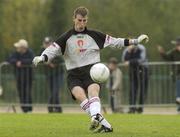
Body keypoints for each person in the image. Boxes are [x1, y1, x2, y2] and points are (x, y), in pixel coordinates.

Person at [32, 6, 149, 133]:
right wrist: (43, 57)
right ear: (74, 19)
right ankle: (105, 124)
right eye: (80, 20)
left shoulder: (95, 35)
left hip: (92, 71)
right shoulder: (66, 37)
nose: (82, 23)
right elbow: (52, 49)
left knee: (93, 92)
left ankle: (94, 117)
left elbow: (115, 42)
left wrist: (136, 41)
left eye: (85, 20)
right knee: (79, 96)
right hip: (74, 74)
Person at [7, 39, 34, 113]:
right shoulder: (16, 53)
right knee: (21, 93)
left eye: (19, 47)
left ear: (23, 47)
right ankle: (24, 109)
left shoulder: (30, 52)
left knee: (27, 92)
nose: (17, 48)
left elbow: (32, 60)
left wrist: (22, 62)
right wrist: (16, 62)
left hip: (28, 77)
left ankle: (29, 109)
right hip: (19, 77)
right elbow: (10, 59)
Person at [122, 44, 148, 114]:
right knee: (132, 89)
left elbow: (141, 60)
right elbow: (124, 60)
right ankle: (132, 108)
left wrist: (130, 62)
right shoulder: (127, 49)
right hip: (133, 71)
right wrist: (129, 51)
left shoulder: (141, 48)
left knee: (142, 90)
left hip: (143, 70)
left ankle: (140, 108)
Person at [41, 37, 64, 113]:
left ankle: (50, 106)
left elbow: (60, 60)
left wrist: (52, 63)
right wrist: (44, 61)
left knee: (55, 91)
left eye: (49, 43)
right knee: (53, 92)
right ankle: (58, 109)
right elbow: (37, 59)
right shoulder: (42, 51)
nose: (47, 45)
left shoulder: (56, 50)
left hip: (58, 74)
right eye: (46, 43)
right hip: (49, 75)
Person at [157, 37, 180, 113]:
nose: (177, 46)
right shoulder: (173, 52)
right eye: (176, 45)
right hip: (177, 74)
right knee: (178, 84)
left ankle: (178, 99)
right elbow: (167, 57)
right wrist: (162, 52)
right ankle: (178, 102)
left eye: (178, 44)